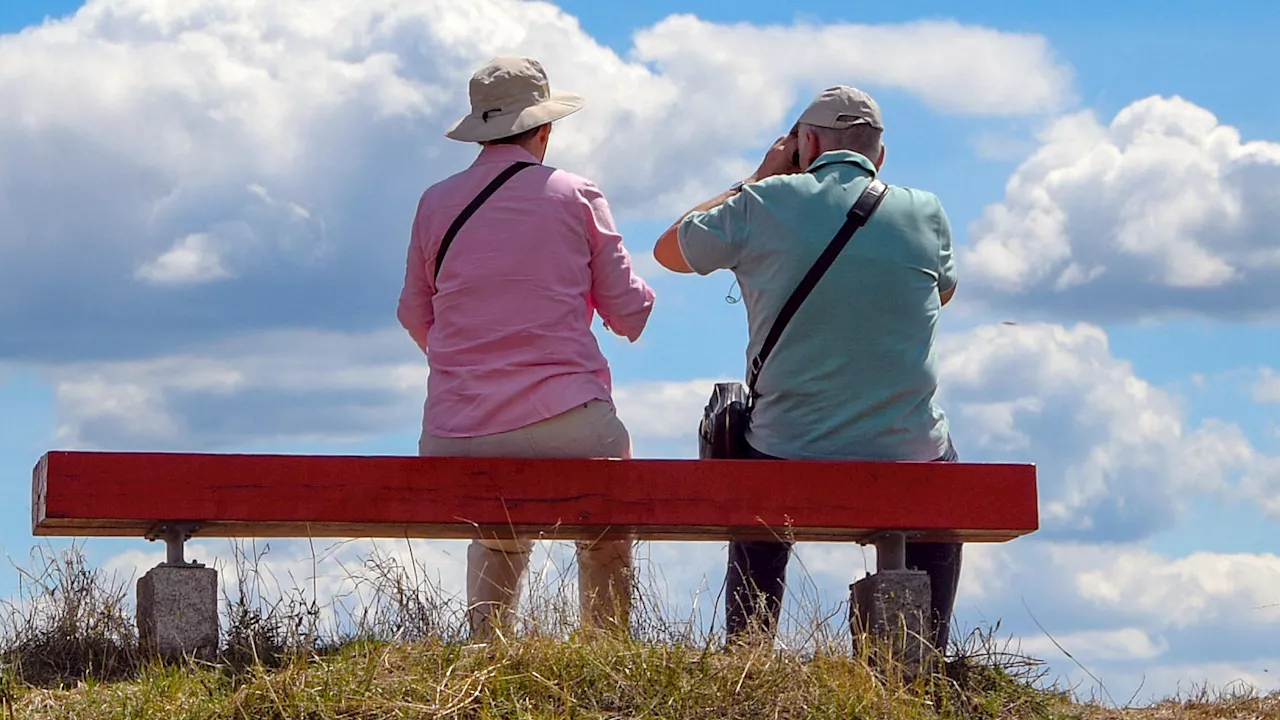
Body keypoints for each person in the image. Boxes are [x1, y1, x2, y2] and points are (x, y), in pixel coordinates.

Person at [652, 86, 961, 652]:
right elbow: (942, 294)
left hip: (787, 447)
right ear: (879, 155)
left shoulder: (765, 201)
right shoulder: (926, 210)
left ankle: (749, 652)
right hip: (905, 450)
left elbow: (670, 249)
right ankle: (924, 658)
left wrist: (760, 175)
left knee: (751, 455)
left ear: (807, 143)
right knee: (943, 466)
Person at [398, 57, 655, 641]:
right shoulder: (575, 193)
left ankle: (489, 650)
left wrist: (468, 366)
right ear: (544, 129)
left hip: (453, 431)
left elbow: (415, 313)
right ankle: (607, 646)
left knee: (498, 526)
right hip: (566, 419)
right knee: (607, 522)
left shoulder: (435, 202)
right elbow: (629, 313)